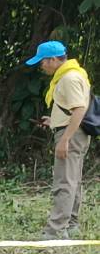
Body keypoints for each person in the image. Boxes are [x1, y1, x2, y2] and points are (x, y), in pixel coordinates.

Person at [28, 40, 92, 239]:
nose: (42, 66)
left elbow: (79, 109)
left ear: (54, 59)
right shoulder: (72, 74)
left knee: (64, 181)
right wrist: (54, 120)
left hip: (71, 135)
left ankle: (55, 231)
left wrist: (65, 139)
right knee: (73, 180)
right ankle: (71, 224)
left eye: (43, 61)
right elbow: (72, 107)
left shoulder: (68, 78)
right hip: (73, 131)